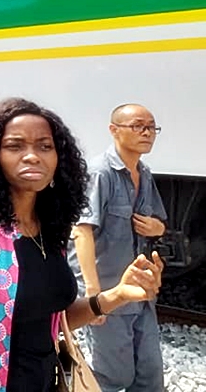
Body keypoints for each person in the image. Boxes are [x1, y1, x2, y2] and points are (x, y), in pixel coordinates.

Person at [0, 98, 163, 392]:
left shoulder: (49, 228)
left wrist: (117, 295)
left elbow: (53, 317)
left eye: (44, 146)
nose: (32, 156)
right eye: (15, 146)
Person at [69, 103, 168, 392]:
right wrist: (92, 295)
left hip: (141, 294)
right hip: (109, 295)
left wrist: (157, 227)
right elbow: (81, 232)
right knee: (110, 377)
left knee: (149, 376)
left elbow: (160, 223)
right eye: (138, 126)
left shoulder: (144, 172)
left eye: (151, 127)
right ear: (114, 130)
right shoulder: (100, 173)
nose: (147, 132)